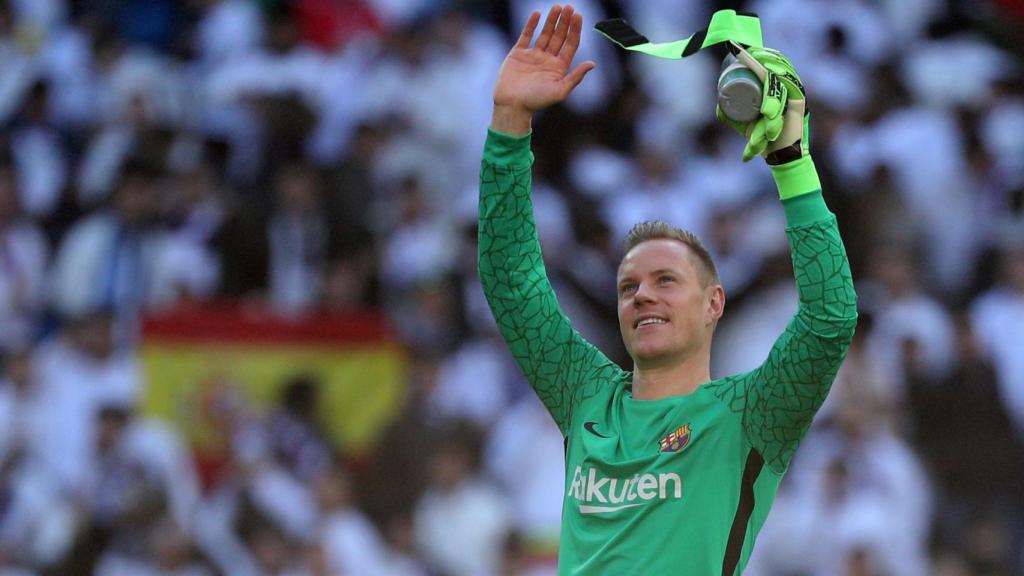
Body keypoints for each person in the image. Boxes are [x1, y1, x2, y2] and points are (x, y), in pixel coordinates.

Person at [477, 5, 858, 574]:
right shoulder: (587, 398)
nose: (642, 295)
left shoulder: (749, 415)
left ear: (714, 304)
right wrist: (509, 122)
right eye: (628, 285)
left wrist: (790, 164)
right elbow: (512, 282)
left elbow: (830, 320)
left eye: (666, 280)